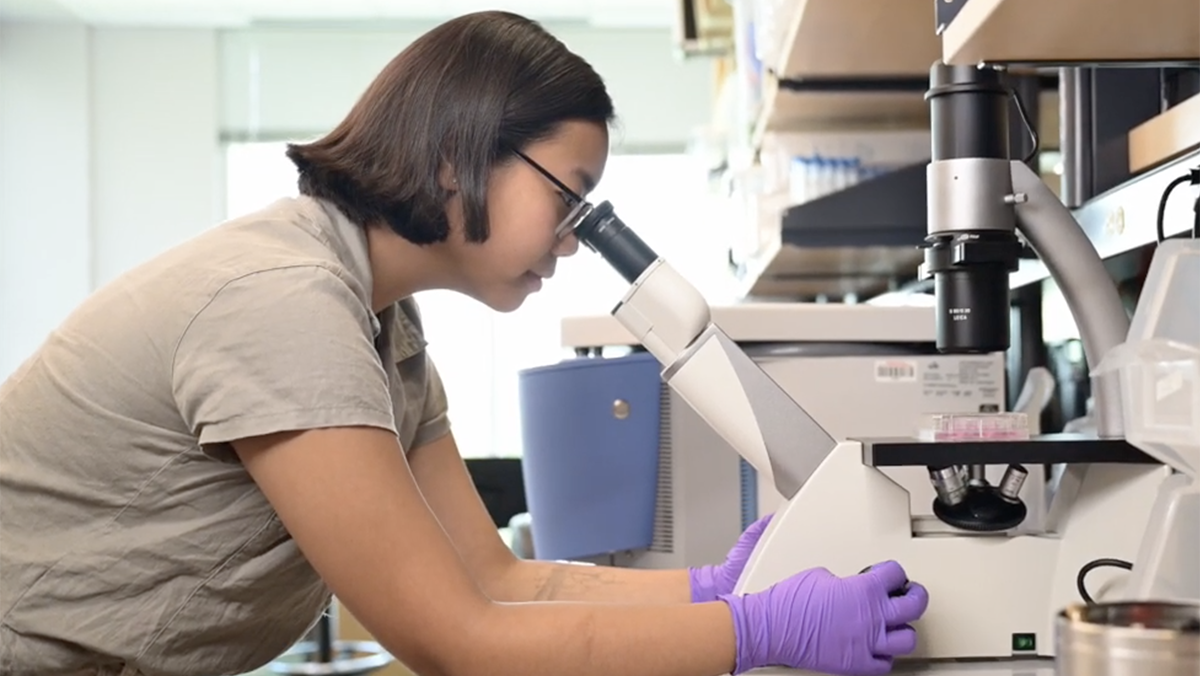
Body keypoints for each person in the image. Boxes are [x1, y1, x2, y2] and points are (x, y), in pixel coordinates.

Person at [0, 10, 928, 676]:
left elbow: (498, 582)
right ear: (455, 155)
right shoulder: (283, 306)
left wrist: (714, 591)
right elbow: (458, 643)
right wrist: (751, 633)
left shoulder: (383, 328)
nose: (571, 239)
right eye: (567, 196)